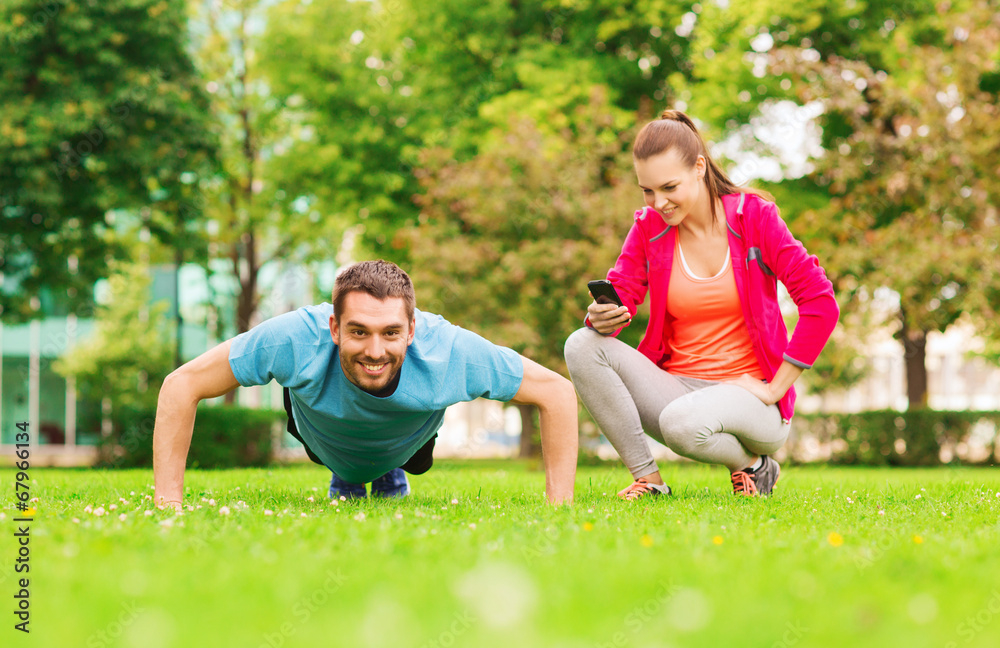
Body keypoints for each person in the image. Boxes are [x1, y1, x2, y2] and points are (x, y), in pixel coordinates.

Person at [564, 109, 839, 499]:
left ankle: (755, 464)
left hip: (753, 398)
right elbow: (623, 290)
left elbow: (820, 303)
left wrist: (777, 388)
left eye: (669, 188)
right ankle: (650, 480)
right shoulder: (648, 228)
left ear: (698, 167)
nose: (658, 202)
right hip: (678, 390)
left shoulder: (754, 218)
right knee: (580, 344)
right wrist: (602, 315)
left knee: (680, 422)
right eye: (647, 190)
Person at [153, 260, 577, 508]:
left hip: (408, 438)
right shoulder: (293, 338)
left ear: (412, 329)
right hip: (323, 432)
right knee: (326, 412)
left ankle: (387, 469)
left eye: (391, 333)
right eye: (359, 332)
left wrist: (559, 510)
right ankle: (347, 472)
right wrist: (168, 505)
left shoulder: (450, 350)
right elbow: (181, 385)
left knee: (399, 425)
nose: (375, 350)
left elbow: (556, 392)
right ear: (334, 327)